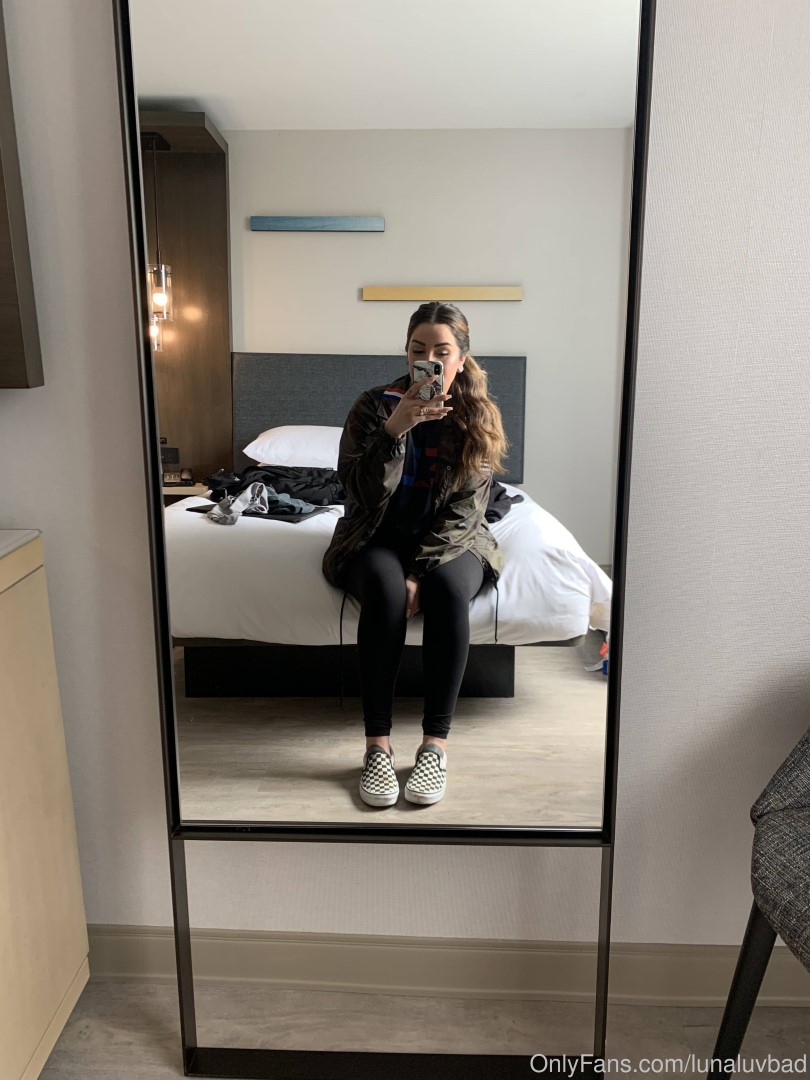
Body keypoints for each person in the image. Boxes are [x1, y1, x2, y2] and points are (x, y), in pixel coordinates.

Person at [322, 302, 508, 808]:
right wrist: (393, 431)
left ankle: (434, 746)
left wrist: (420, 572)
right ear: (406, 353)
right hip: (375, 536)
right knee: (384, 591)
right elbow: (357, 494)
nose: (429, 360)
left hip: (453, 541)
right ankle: (377, 746)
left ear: (462, 358)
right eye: (418, 350)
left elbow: (466, 512)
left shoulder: (477, 416)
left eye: (442, 351)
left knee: (447, 590)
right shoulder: (373, 406)